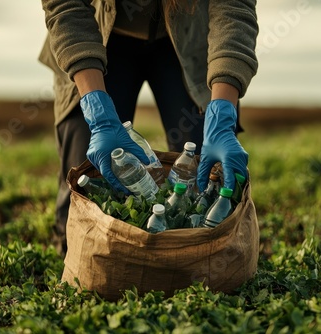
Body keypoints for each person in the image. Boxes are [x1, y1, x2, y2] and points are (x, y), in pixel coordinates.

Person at [39, 0, 258, 254]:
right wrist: (95, 108)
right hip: (99, 37)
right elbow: (66, 5)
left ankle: (191, 263)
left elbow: (234, 7)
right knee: (87, 175)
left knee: (203, 181)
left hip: (187, 43)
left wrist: (222, 115)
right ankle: (71, 251)